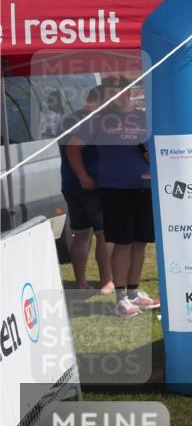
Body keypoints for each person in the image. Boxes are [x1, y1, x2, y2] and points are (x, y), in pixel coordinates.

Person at [94, 82, 160, 317]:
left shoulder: (142, 118)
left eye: (121, 92)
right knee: (122, 243)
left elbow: (151, 147)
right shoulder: (101, 120)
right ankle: (120, 297)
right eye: (111, 93)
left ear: (130, 93)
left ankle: (133, 292)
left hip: (144, 185)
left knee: (140, 242)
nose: (117, 97)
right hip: (116, 188)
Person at [60, 87, 114, 294]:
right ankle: (106, 282)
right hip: (90, 183)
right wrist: (85, 177)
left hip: (70, 184)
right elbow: (73, 149)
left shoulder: (67, 119)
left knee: (80, 234)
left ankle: (81, 282)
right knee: (104, 234)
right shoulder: (94, 119)